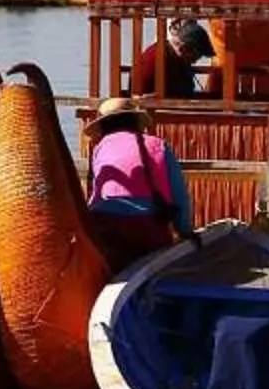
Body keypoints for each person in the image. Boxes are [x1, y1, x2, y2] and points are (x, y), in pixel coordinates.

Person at [83, 97, 198, 265]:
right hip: (148, 227)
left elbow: (95, 195)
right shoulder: (157, 145)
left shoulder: (100, 149)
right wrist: (185, 231)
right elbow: (178, 193)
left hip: (105, 225)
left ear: (103, 127)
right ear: (136, 122)